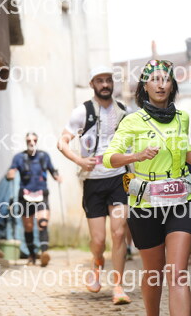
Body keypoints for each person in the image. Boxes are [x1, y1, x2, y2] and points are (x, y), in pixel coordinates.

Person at [103, 59, 191, 316]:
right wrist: (136, 156)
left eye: (166, 79)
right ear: (145, 86)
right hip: (146, 205)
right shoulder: (132, 121)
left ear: (172, 85)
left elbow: (184, 148)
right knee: (154, 273)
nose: (161, 84)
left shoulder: (182, 118)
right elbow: (109, 158)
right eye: (154, 79)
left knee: (178, 273)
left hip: (181, 201)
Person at [57, 66, 131, 305]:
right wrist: (79, 160)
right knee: (98, 240)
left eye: (108, 80)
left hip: (119, 178)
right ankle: (97, 262)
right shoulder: (82, 112)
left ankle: (118, 286)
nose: (105, 84)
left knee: (119, 233)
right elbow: (62, 142)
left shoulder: (125, 112)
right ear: (92, 84)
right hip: (93, 182)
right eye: (100, 81)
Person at [6, 132, 62, 266]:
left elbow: (52, 170)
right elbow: (11, 171)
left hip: (41, 193)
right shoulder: (19, 157)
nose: (32, 143)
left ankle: (44, 253)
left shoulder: (44, 156)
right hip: (25, 195)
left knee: (43, 222)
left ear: (37, 141)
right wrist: (10, 174)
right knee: (28, 226)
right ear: (26, 142)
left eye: (34, 140)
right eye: (29, 141)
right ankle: (31, 256)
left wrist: (57, 176)